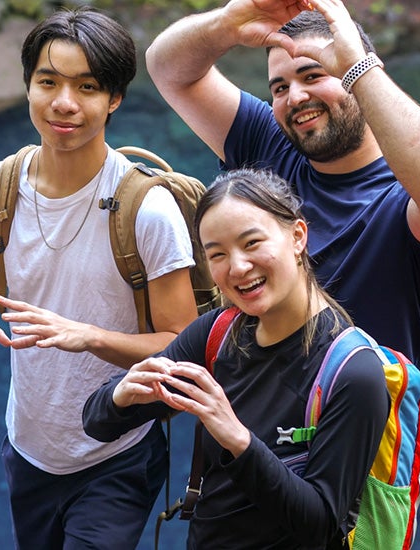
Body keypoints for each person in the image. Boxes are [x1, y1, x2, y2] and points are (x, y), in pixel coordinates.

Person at [0, 7, 199, 549]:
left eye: (88, 86)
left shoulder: (146, 210)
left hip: (119, 450)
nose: (64, 103)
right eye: (48, 82)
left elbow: (182, 347)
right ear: (28, 85)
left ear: (114, 99)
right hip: (29, 446)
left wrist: (89, 337)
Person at [146, 0, 420, 368]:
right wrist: (228, 23)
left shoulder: (404, 199)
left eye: (313, 75)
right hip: (240, 411)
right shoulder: (267, 141)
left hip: (349, 419)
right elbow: (168, 69)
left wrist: (359, 66)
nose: (296, 97)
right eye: (279, 87)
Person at [83, 168, 390, 548]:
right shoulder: (217, 334)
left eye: (252, 243)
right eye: (217, 254)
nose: (238, 267)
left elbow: (322, 526)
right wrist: (122, 395)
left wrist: (238, 440)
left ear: (297, 236)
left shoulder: (353, 374)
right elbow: (97, 425)